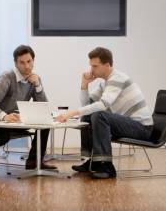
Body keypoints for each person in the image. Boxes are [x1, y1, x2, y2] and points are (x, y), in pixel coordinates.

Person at [55, 47, 153, 179]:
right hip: (128, 125)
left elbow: (103, 105)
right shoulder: (105, 83)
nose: (91, 70)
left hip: (142, 128)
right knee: (90, 114)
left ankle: (106, 166)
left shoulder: (118, 78)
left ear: (107, 65)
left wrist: (72, 113)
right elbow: (87, 105)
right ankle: (93, 161)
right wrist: (84, 85)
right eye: (91, 66)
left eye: (95, 66)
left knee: (99, 114)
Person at [0, 45, 56, 171]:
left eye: (29, 61)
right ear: (16, 63)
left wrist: (38, 86)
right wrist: (4, 116)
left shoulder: (35, 78)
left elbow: (43, 106)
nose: (27, 66)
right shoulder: (7, 77)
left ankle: (34, 162)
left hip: (16, 121)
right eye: (22, 63)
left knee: (45, 125)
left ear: (33, 61)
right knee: (3, 135)